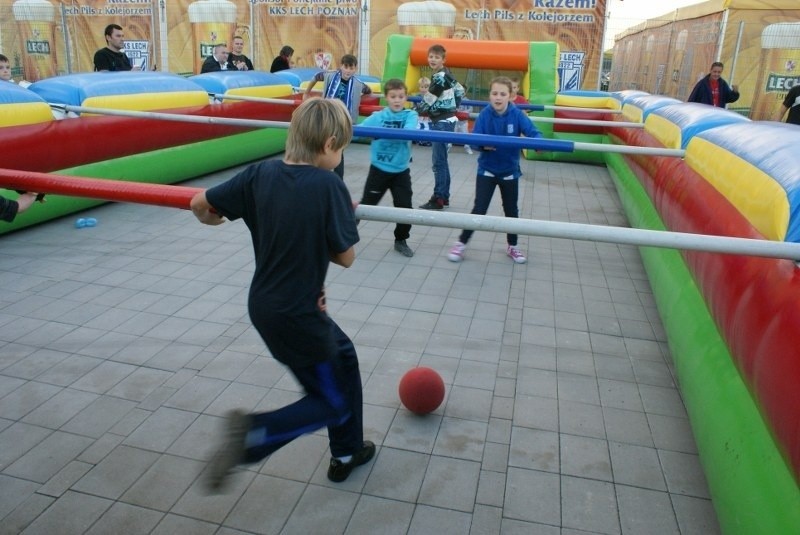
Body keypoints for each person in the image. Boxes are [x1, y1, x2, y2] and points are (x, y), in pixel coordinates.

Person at [191, 98, 374, 493]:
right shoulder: (329, 187)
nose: (340, 156)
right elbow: (346, 257)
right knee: (331, 402)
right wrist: (339, 213)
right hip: (300, 315)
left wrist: (218, 218)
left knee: (343, 354)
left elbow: (200, 205)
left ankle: (347, 451)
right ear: (328, 144)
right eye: (340, 148)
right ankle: (254, 436)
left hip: (265, 305)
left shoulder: (260, 174)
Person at [447, 76, 541, 265]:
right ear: (490, 95)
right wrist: (483, 145)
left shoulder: (517, 114)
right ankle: (461, 243)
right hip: (487, 170)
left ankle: (512, 246)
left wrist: (538, 142)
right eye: (494, 93)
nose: (498, 97)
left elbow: (533, 131)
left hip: (509, 171)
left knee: (511, 210)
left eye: (502, 94)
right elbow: (476, 139)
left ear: (511, 96)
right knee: (479, 208)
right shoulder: (485, 114)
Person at [358, 79, 419, 257]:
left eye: (401, 96)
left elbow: (408, 130)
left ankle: (401, 239)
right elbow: (360, 128)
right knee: (367, 205)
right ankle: (344, 233)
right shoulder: (379, 116)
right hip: (379, 169)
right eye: (393, 97)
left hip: (400, 171)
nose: (397, 100)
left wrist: (384, 134)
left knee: (405, 207)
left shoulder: (410, 115)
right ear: (387, 98)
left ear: (406, 97)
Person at [304, 54, 372, 179]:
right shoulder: (330, 75)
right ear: (341, 66)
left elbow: (369, 91)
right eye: (346, 67)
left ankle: (337, 180)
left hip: (343, 121)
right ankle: (316, 174)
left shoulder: (357, 83)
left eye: (351, 68)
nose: (348, 70)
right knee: (321, 145)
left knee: (339, 150)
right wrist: (307, 92)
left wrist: (357, 101)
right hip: (328, 117)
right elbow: (315, 77)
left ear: (355, 69)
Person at [416, 44, 465, 210]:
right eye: (431, 56)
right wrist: (453, 106)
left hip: (442, 122)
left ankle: (438, 198)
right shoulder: (448, 74)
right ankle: (444, 196)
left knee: (438, 162)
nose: (433, 60)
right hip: (449, 120)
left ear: (443, 60)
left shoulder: (438, 77)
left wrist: (413, 112)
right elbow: (460, 91)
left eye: (437, 57)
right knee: (442, 161)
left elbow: (429, 99)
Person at [414, 76, 432, 147]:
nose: (423, 89)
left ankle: (427, 140)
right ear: (419, 87)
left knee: (427, 127)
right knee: (418, 126)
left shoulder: (431, 96)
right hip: (419, 116)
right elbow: (414, 106)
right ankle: (418, 139)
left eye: (426, 87)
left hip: (428, 117)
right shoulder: (417, 96)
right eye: (422, 87)